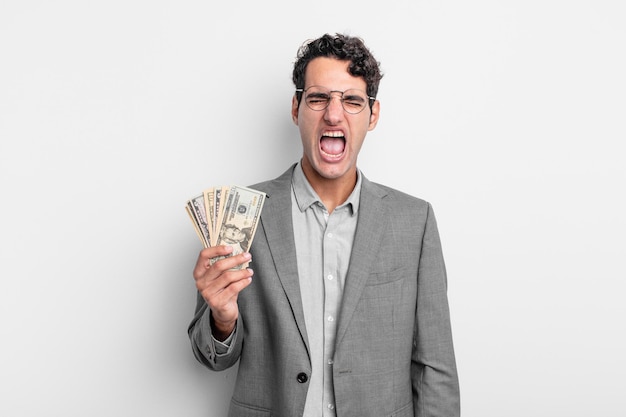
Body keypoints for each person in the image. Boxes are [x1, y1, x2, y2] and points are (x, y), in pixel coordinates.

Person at [188, 33, 460, 417]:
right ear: (297, 108)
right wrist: (221, 319)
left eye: (352, 100)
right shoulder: (241, 214)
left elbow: (436, 368)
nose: (334, 114)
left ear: (373, 114)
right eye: (318, 98)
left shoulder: (414, 221)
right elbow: (211, 358)